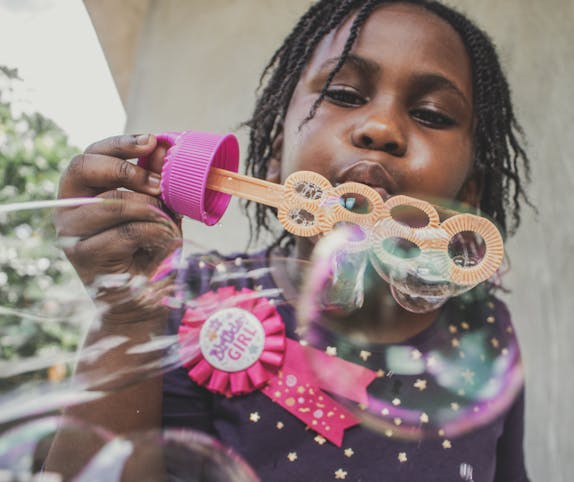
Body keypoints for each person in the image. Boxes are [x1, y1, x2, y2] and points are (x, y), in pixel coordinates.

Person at [51, 1, 532, 480]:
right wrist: (128, 312)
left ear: (468, 195)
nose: (382, 129)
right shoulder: (186, 298)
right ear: (275, 158)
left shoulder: (484, 329)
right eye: (344, 93)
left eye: (431, 114)